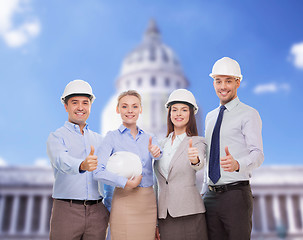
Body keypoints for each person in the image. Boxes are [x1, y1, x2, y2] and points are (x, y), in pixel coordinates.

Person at [203, 57, 264, 240]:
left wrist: (238, 164)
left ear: (238, 82)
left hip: (235, 195)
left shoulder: (249, 114)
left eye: (228, 81)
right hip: (210, 196)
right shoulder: (210, 117)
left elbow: (258, 154)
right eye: (218, 81)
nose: (223, 87)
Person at [93, 90, 162, 240]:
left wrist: (156, 153)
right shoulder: (111, 137)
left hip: (147, 203)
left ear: (141, 109)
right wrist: (125, 183)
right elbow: (97, 171)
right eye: (125, 106)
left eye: (134, 106)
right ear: (118, 109)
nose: (130, 110)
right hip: (123, 200)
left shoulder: (150, 138)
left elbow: (160, 155)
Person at [47, 79, 109, 240]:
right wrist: (82, 165)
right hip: (67, 211)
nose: (80, 107)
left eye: (85, 103)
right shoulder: (56, 137)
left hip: (97, 211)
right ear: (66, 106)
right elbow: (61, 160)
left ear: (90, 106)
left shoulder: (100, 140)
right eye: (75, 102)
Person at [154, 89, 208, 240]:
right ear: (169, 113)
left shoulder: (197, 141)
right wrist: (156, 221)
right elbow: (157, 184)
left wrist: (195, 159)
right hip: (165, 216)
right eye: (175, 110)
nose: (178, 114)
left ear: (191, 114)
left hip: (190, 213)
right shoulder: (160, 145)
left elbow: (199, 163)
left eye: (184, 110)